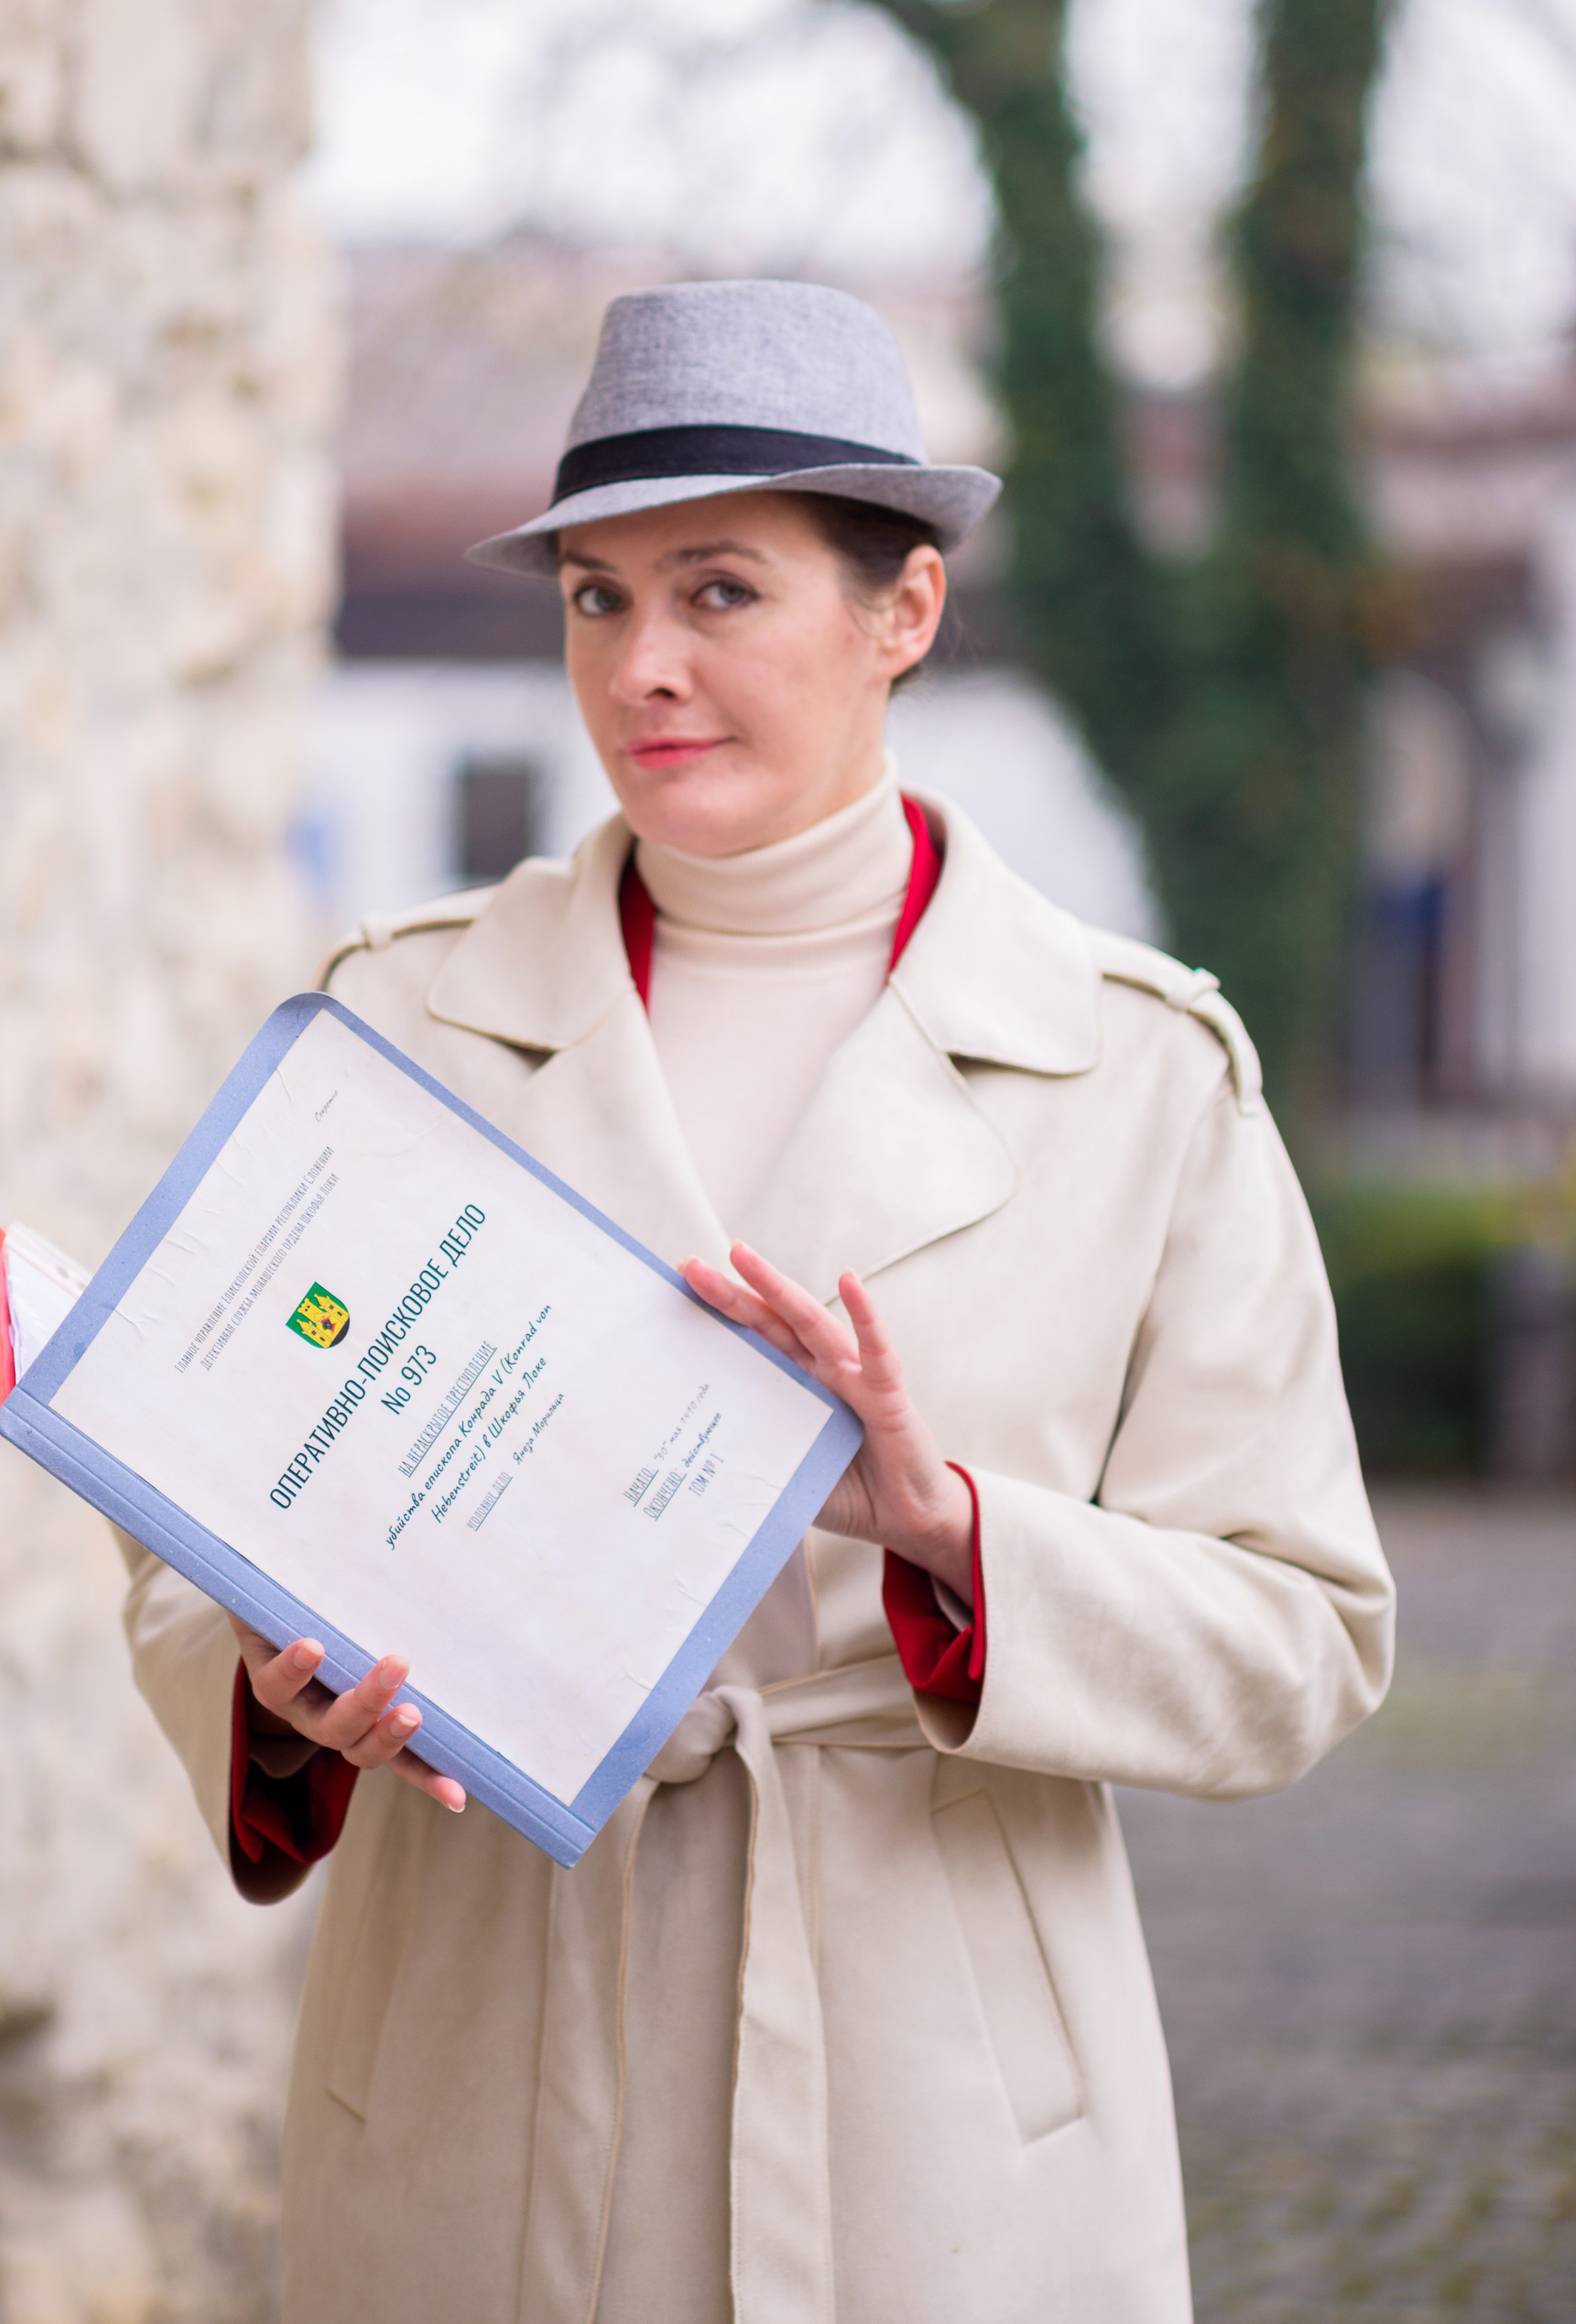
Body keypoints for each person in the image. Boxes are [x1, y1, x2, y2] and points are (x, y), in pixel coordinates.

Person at [118, 279, 1393, 2324]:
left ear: (904, 609)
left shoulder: (1143, 1069)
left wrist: (946, 1528)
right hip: (473, 2064)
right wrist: (272, 1687)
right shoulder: (394, 1026)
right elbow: (189, 1522)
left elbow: (1303, 1636)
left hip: (942, 2114)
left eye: (721, 590)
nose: (646, 666)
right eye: (598, 600)